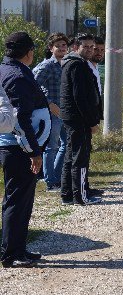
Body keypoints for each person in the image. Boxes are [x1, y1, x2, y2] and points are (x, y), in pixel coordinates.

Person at [0, 32, 49, 267]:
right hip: (19, 149)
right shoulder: (17, 75)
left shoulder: (6, 69)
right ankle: (11, 254)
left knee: (21, 201)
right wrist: (34, 152)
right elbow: (21, 119)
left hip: (16, 146)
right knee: (17, 202)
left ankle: (19, 249)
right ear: (29, 52)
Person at [60, 34, 102, 206]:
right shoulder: (77, 65)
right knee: (80, 158)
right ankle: (81, 196)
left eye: (92, 47)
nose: (90, 50)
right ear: (76, 47)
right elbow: (80, 98)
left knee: (71, 155)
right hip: (79, 119)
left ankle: (68, 193)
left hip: (73, 118)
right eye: (86, 46)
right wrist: (92, 121)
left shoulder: (75, 63)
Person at [32, 33, 69, 192]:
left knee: (66, 145)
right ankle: (50, 181)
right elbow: (33, 86)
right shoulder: (47, 65)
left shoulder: (66, 64)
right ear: (51, 48)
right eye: (58, 45)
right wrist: (49, 104)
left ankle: (58, 177)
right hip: (52, 113)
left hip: (65, 113)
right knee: (51, 147)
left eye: (64, 45)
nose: (62, 48)